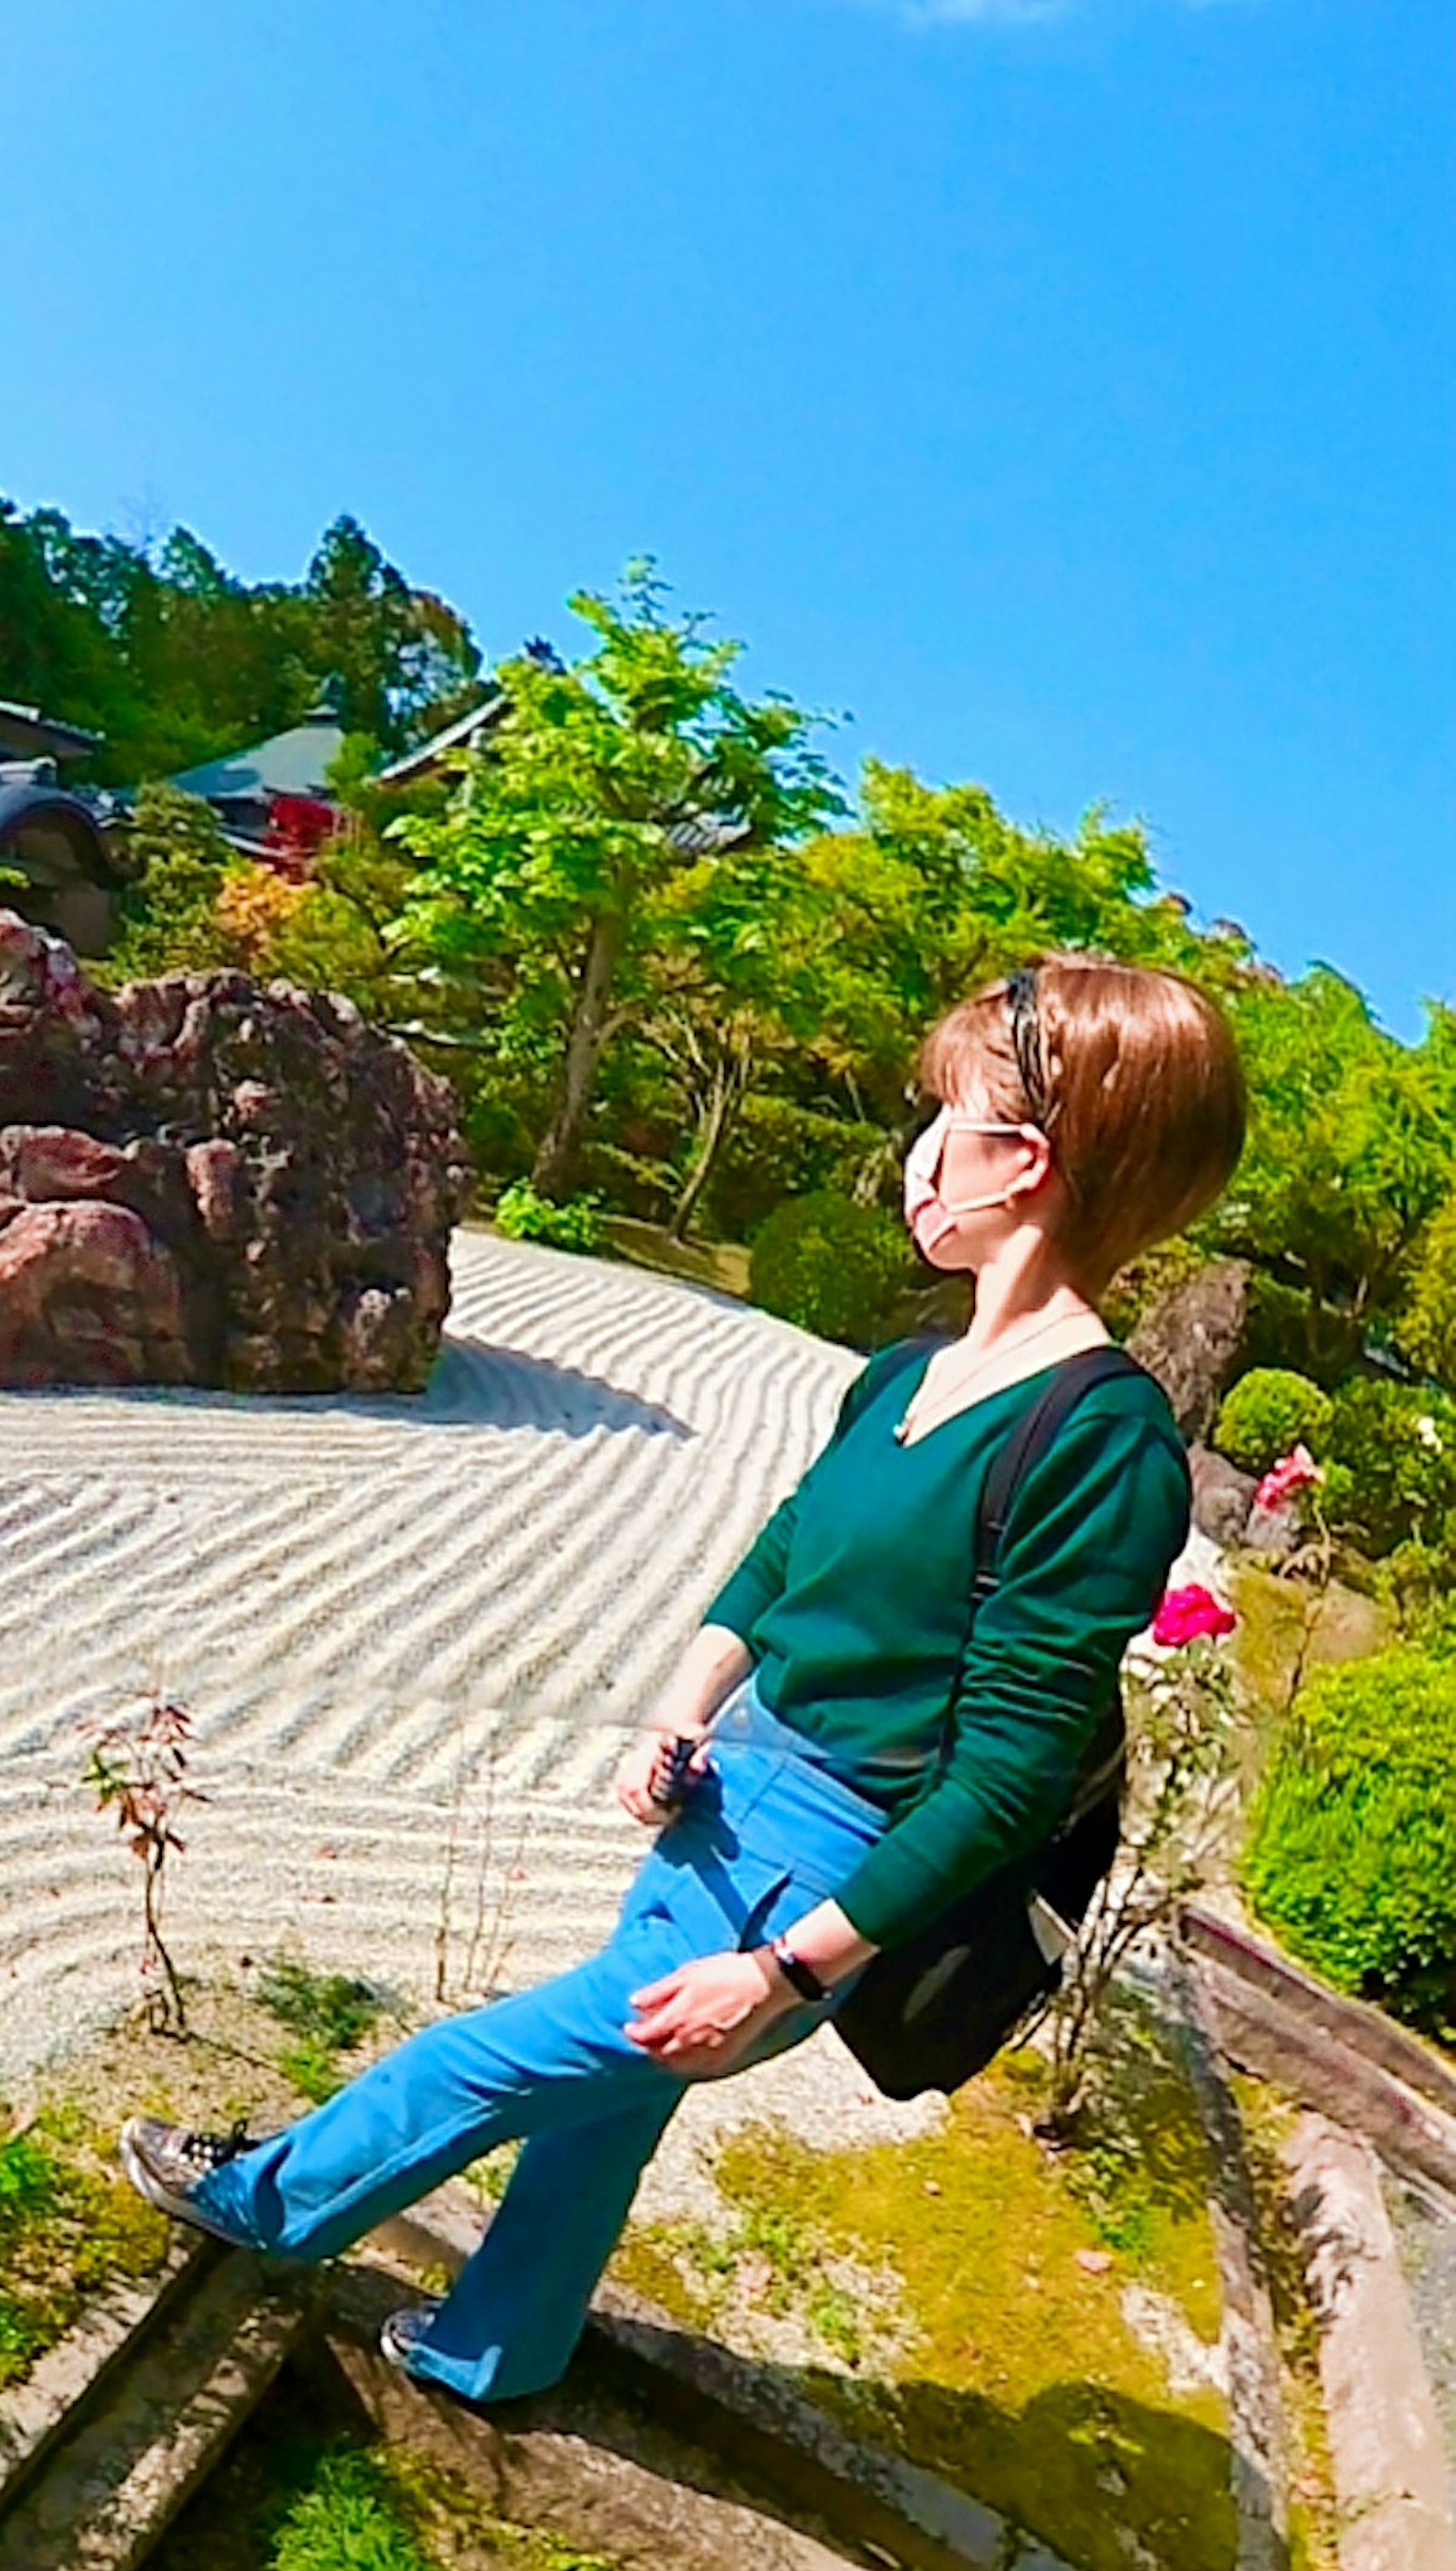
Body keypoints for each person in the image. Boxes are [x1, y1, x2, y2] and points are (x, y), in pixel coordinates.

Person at [120, 952, 1245, 2404]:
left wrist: (785, 1970)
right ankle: (495, 2350)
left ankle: (268, 2197)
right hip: (736, 1786)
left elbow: (1008, 1781)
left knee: (501, 2054)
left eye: (943, 1118)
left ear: (1020, 1163)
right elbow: (789, 1554)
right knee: (606, 2107)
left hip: (827, 1860)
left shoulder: (1105, 1445)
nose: (915, 1154)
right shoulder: (905, 1374)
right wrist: (686, 1698)